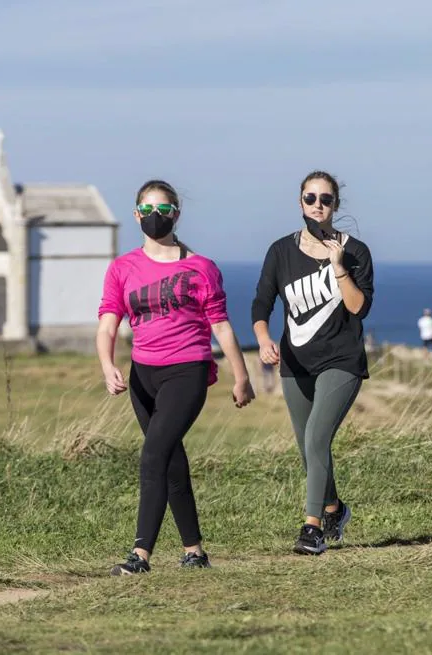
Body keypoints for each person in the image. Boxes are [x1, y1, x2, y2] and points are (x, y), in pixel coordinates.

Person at [97, 179, 255, 574]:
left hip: (188, 370)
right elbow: (107, 323)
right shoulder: (122, 268)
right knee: (170, 460)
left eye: (163, 211)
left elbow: (220, 325)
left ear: (176, 214)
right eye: (147, 211)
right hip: (142, 375)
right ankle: (195, 551)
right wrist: (106, 363)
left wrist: (241, 376)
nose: (155, 217)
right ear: (136, 215)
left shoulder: (201, 268)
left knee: (153, 455)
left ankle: (140, 556)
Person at [252, 170, 374, 555]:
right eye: (310, 198)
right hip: (295, 361)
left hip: (341, 359)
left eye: (325, 199)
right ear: (300, 201)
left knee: (317, 438)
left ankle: (313, 528)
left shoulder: (357, 252)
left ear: (335, 205)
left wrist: (339, 267)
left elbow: (358, 307)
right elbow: (262, 303)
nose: (317, 205)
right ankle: (335, 509)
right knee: (307, 448)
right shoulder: (280, 251)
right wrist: (263, 339)